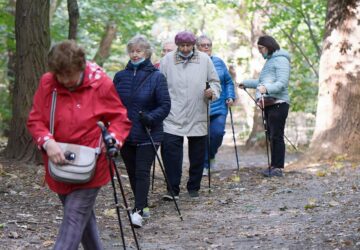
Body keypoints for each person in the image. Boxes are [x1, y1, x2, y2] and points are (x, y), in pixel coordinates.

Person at [27, 40, 131, 250]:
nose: (65, 80)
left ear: (81, 67)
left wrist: (112, 138)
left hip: (93, 164)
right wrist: (47, 142)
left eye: (70, 74)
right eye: (60, 75)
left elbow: (120, 119)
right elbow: (35, 120)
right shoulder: (48, 83)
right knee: (81, 220)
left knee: (74, 217)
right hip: (60, 164)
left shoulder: (100, 83)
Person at [113, 35, 171, 228]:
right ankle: (143, 204)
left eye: (139, 51)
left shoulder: (157, 77)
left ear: (146, 53)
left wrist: (151, 117)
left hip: (149, 132)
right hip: (126, 133)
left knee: (142, 171)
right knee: (131, 171)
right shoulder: (120, 76)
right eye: (132, 51)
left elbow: (165, 105)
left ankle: (138, 211)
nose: (135, 54)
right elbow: (113, 104)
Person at [160, 31, 221, 199]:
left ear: (193, 45)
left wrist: (212, 92)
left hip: (198, 111)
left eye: (188, 45)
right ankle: (172, 190)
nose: (185, 49)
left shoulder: (204, 59)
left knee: (197, 154)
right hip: (173, 114)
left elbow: (216, 82)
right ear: (177, 45)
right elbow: (160, 84)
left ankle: (194, 187)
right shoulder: (167, 60)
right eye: (182, 46)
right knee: (171, 154)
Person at [239, 35, 290, 177]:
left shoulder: (281, 60)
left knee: (277, 136)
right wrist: (246, 83)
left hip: (279, 103)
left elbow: (282, 83)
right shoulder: (270, 61)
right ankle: (274, 165)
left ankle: (278, 168)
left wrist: (266, 89)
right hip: (269, 104)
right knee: (271, 136)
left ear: (268, 46)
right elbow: (262, 82)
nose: (260, 51)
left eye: (261, 48)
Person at [196, 35, 236, 176]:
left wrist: (230, 96)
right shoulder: (193, 64)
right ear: (197, 47)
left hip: (219, 106)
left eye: (209, 45)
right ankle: (205, 165)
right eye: (203, 45)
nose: (206, 47)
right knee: (202, 138)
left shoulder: (219, 62)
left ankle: (211, 155)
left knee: (217, 134)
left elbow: (228, 82)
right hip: (200, 107)